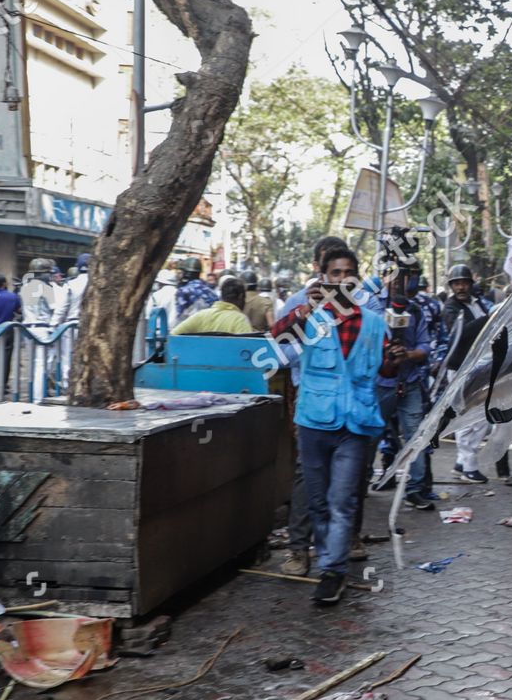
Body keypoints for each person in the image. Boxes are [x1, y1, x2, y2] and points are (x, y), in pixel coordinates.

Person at [277, 248, 401, 604]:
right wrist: (304, 311)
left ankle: (333, 570)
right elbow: (276, 346)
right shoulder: (310, 317)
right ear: (324, 277)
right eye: (335, 273)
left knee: (342, 500)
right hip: (315, 422)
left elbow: (386, 369)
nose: (342, 278)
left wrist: (396, 361)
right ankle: (325, 557)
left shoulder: (375, 323)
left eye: (349, 273)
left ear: (356, 279)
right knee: (318, 502)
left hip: (356, 424)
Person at [376, 264, 437, 510]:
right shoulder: (372, 308)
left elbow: (425, 345)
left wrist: (408, 355)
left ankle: (415, 489)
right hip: (379, 384)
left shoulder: (416, 311)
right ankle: (358, 484)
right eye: (392, 278)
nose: (398, 283)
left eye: (404, 278)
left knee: (416, 436)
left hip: (409, 382)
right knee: (369, 435)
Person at [435, 263, 497, 483]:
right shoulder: (450, 308)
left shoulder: (477, 302)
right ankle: (469, 466)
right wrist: (489, 317)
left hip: (481, 366)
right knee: (468, 416)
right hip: (461, 367)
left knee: (482, 417)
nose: (461, 287)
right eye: (457, 283)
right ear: (452, 286)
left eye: (464, 282)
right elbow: (462, 333)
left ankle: (462, 462)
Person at [171, 275, 257, 335]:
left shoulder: (201, 316)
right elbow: (248, 349)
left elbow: (174, 334)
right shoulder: (240, 320)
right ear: (241, 296)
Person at [174, 257, 218, 323]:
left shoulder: (183, 291)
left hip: (189, 330)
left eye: (183, 272)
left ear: (187, 273)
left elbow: (180, 317)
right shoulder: (212, 292)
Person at [52, 253, 90, 327]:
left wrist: (53, 325)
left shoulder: (70, 284)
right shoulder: (97, 285)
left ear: (78, 267)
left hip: (71, 326)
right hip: (89, 327)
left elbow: (61, 308)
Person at [20, 257, 57, 325]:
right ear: (42, 274)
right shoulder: (46, 288)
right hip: (42, 329)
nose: (50, 275)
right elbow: (55, 310)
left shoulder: (24, 287)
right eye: (48, 273)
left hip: (26, 329)